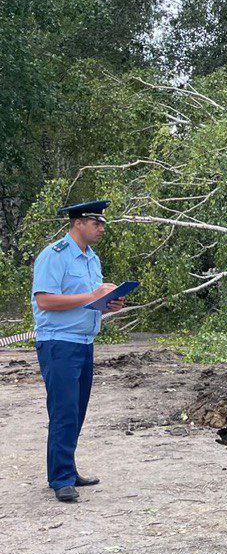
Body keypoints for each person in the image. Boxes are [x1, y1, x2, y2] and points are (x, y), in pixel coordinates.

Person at [31, 201, 125, 502]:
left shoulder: (91, 259)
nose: (101, 229)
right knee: (64, 410)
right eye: (96, 223)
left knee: (77, 409)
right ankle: (60, 479)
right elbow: (45, 300)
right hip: (59, 342)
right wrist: (91, 296)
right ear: (78, 223)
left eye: (102, 224)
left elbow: (90, 299)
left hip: (84, 341)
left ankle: (67, 470)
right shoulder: (54, 255)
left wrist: (109, 302)